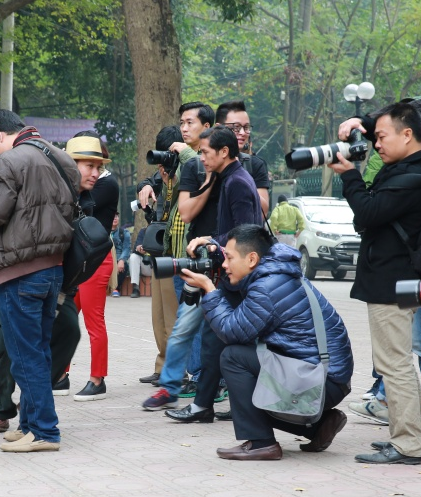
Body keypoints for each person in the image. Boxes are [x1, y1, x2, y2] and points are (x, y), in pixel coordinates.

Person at [177, 224, 353, 459]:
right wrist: (215, 251)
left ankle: (261, 443)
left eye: (228, 257)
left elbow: (230, 331)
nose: (225, 265)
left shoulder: (267, 287)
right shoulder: (275, 273)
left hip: (320, 380)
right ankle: (317, 425)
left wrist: (209, 289)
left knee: (233, 358)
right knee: (249, 366)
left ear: (251, 259)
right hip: (324, 374)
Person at [329, 101, 421, 465]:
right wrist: (363, 120)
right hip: (396, 277)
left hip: (393, 280)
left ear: (407, 135)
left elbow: (369, 213)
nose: (376, 144)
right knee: (400, 360)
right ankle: (418, 435)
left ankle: (406, 444)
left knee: (393, 363)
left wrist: (348, 174)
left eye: (381, 136)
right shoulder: (414, 167)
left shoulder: (414, 176)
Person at [0, 109, 77, 453]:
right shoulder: (60, 156)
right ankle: (29, 424)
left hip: (20, 270)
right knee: (38, 350)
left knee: (24, 354)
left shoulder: (10, 161)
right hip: (53, 269)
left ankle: (45, 431)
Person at [162, 125, 263, 423]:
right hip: (231, 272)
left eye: (206, 153)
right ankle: (204, 405)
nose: (202, 158)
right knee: (215, 341)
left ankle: (206, 405)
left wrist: (212, 242)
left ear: (224, 152)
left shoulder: (238, 183)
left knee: (216, 340)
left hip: (239, 275)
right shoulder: (226, 178)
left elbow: (246, 235)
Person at [136, 124, 198, 383]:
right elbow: (150, 181)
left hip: (180, 251)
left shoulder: (190, 168)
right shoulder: (164, 172)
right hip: (161, 248)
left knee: (174, 315)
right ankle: (163, 365)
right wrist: (146, 184)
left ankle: (178, 369)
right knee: (159, 314)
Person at [65, 133, 117, 401]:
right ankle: (60, 375)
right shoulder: (77, 185)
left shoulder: (106, 185)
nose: (94, 172)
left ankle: (98, 379)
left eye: (98, 165)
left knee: (93, 322)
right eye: (89, 166)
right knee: (65, 318)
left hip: (96, 258)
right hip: (77, 259)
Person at [215, 100, 271, 219]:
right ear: (218, 128)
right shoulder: (203, 163)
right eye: (236, 128)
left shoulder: (255, 165)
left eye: (246, 127)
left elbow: (262, 213)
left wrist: (239, 173)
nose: (242, 133)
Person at [110, 214, 130, 297]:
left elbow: (126, 248)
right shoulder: (102, 232)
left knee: (124, 265)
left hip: (118, 257)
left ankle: (116, 288)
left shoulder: (124, 233)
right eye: (113, 216)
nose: (115, 218)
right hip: (105, 257)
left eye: (117, 216)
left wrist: (121, 260)